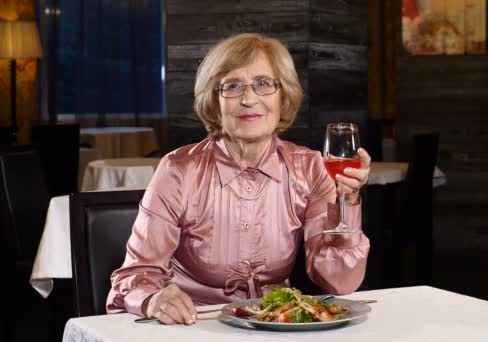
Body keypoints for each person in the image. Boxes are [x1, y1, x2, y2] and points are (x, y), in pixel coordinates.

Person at [106, 33, 371, 325]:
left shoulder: (309, 168)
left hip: (275, 327)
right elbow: (133, 276)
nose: (248, 99)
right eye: (232, 86)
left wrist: (348, 201)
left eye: (263, 83)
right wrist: (153, 299)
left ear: (284, 97)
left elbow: (340, 282)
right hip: (192, 327)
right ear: (214, 101)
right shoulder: (178, 170)